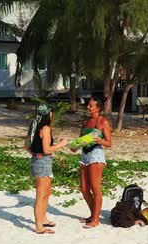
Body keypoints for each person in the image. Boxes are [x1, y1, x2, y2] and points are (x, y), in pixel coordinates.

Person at [25, 103, 68, 234]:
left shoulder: (34, 126)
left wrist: (35, 154)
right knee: (41, 195)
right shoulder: (46, 128)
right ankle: (39, 226)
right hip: (43, 163)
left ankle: (43, 219)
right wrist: (61, 144)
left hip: (40, 161)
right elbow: (47, 149)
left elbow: (26, 146)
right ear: (48, 114)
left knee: (47, 192)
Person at [73, 98, 112, 229]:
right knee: (84, 189)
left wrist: (98, 140)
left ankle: (96, 219)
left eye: (91, 106)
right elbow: (80, 141)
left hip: (96, 155)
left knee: (95, 187)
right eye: (88, 106)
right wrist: (74, 146)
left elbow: (109, 143)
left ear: (98, 108)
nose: (88, 108)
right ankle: (93, 215)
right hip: (84, 155)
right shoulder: (85, 122)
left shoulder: (102, 122)